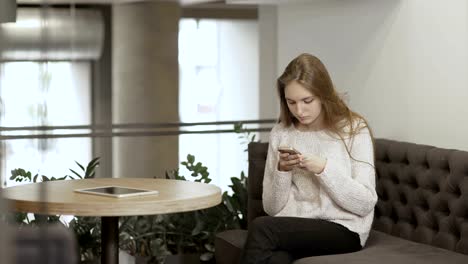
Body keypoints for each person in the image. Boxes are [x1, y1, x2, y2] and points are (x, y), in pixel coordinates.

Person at [240, 53, 378, 264]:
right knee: (277, 259)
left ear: (323, 94)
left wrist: (323, 169)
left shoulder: (353, 129)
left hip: (344, 228)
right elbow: (272, 208)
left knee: (262, 227)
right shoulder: (282, 132)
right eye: (291, 102)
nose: (299, 111)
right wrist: (282, 171)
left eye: (307, 101)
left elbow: (365, 203)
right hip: (296, 227)